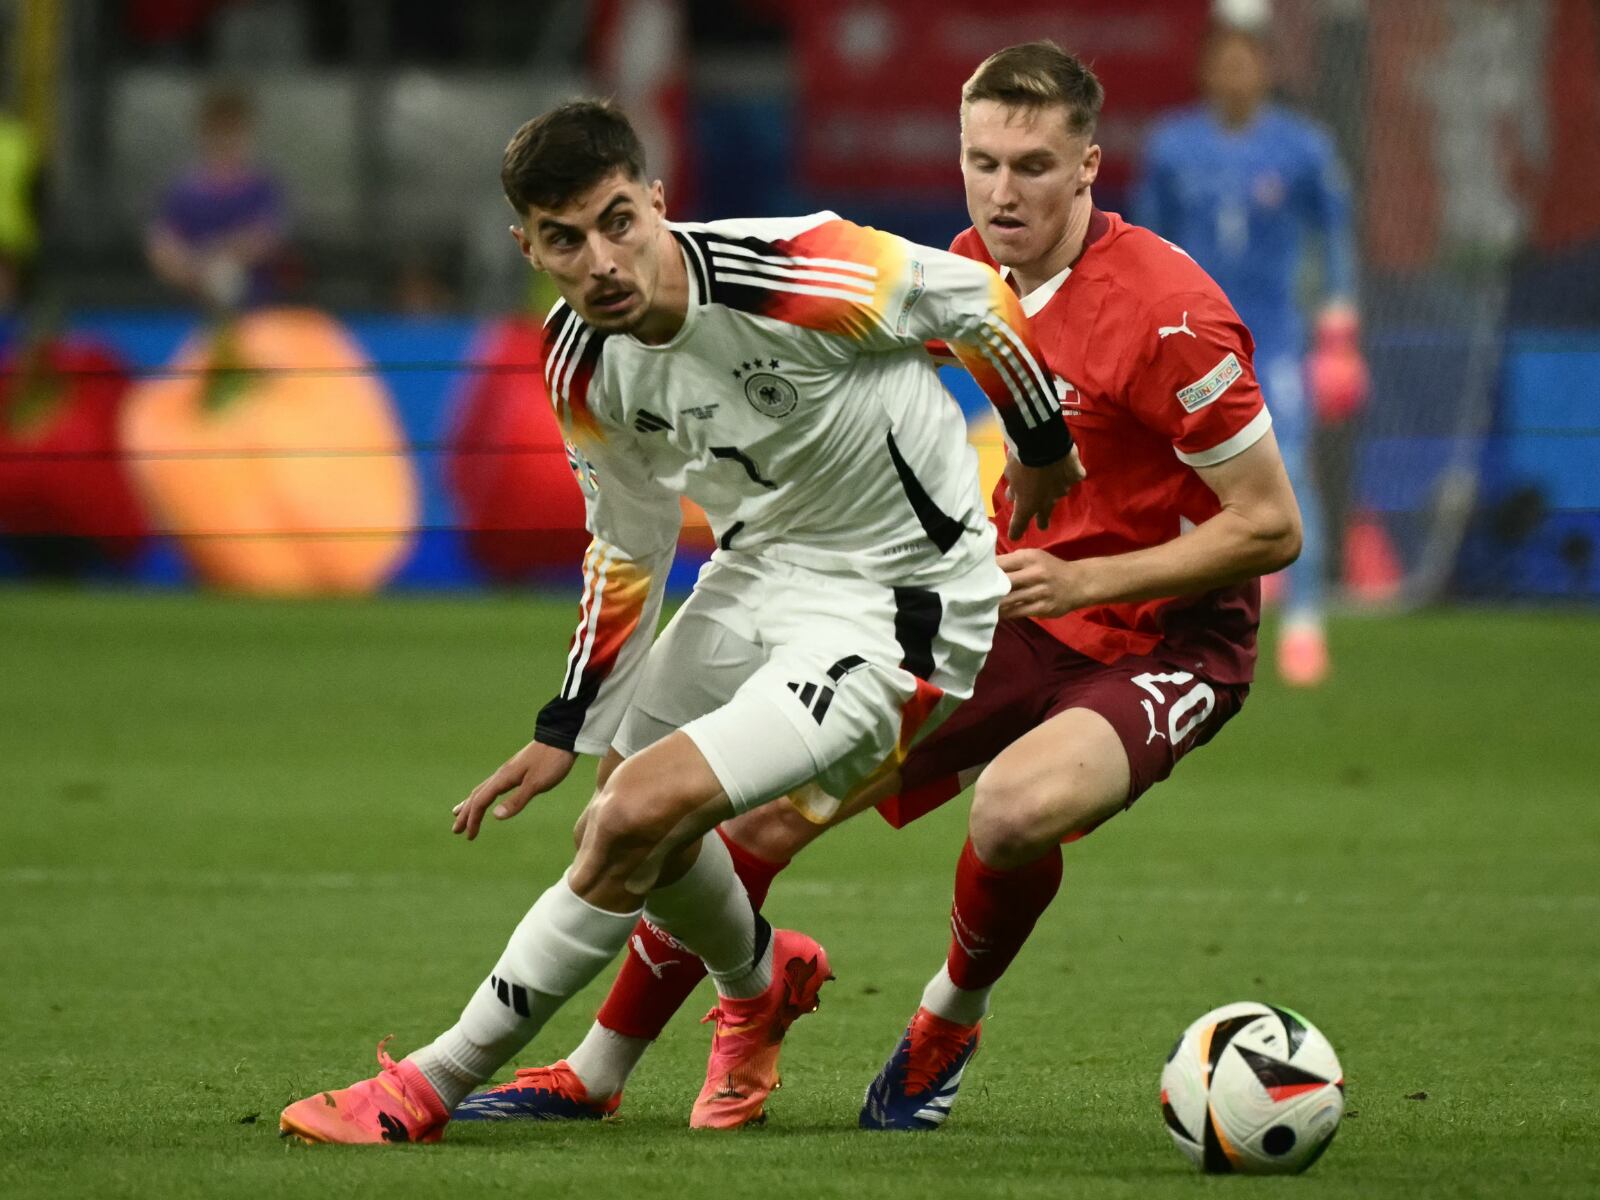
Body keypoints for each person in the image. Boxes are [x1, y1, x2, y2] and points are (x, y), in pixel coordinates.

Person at [456, 41, 1303, 1133]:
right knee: (745, 824)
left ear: (1089, 167)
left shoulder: (1173, 316)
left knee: (1011, 812)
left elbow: (1269, 527)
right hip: (1005, 604)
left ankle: (946, 1022)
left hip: (1163, 637)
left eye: (1034, 166)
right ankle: (602, 1067)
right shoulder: (956, 276)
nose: (1002, 191)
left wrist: (1095, 573)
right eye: (981, 161)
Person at [278, 99, 1081, 1145]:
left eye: (619, 221)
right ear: (530, 247)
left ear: (658, 203)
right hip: (760, 574)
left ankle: (426, 1085)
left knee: (629, 821)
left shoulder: (791, 270)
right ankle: (759, 977)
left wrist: (1041, 441)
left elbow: (975, 300)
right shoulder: (578, 361)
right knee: (624, 812)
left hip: (902, 606)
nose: (601, 260)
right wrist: (566, 725)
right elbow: (628, 539)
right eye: (565, 240)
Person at [1133, 7, 1365, 687]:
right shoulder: (1172, 146)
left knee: (1290, 474)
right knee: (1178, 480)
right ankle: (1182, 622)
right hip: (1191, 347)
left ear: (1265, 68)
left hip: (1276, 344)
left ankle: (1305, 623)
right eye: (1223, 59)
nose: (1235, 72)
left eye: (1247, 59)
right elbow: (1146, 245)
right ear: (1207, 68)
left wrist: (1340, 327)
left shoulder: (1304, 148)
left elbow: (1337, 238)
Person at [146, 87, 288, 312]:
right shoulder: (182, 191)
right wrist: (195, 271)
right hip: (189, 310)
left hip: (256, 311)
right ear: (204, 133)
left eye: (234, 131)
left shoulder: (263, 188)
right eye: (219, 131)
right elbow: (163, 247)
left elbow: (267, 237)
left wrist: (222, 259)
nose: (226, 141)